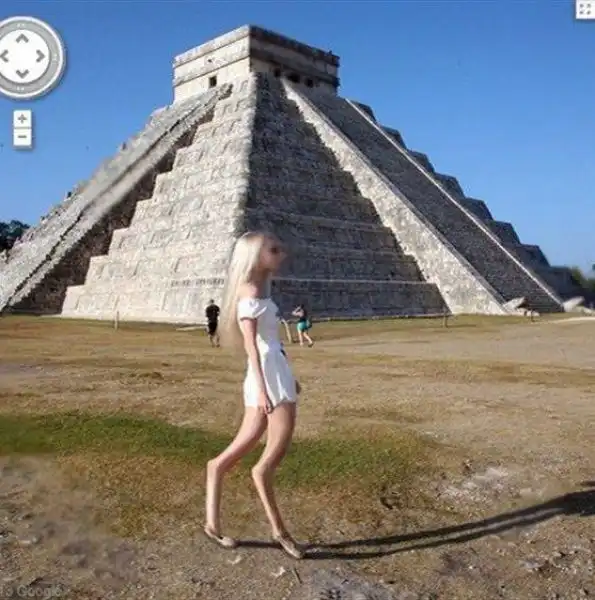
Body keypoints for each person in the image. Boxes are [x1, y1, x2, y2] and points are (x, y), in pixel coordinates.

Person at [203, 231, 304, 559]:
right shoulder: (250, 294)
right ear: (255, 256)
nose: (280, 253)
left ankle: (212, 523)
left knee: (238, 452)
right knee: (268, 461)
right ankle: (280, 532)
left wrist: (289, 376)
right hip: (266, 377)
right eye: (273, 249)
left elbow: (270, 343)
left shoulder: (260, 289)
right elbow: (252, 347)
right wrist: (264, 389)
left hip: (274, 371)